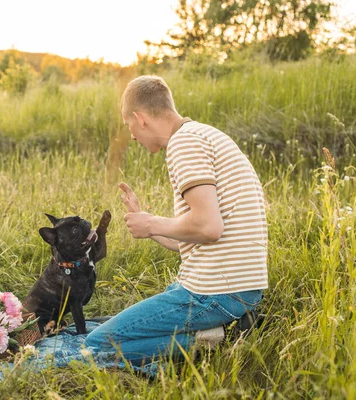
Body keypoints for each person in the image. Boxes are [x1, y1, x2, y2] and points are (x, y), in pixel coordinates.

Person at [84, 76, 268, 365]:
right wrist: (148, 227)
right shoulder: (203, 135)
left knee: (96, 344)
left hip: (217, 293)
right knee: (122, 333)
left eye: (128, 126)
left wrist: (153, 222)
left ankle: (220, 337)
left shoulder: (183, 145)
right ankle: (218, 332)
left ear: (139, 118)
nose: (131, 136)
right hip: (237, 288)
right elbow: (199, 237)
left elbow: (209, 227)